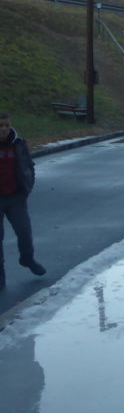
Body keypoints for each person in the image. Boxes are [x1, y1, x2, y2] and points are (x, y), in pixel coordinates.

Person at [0, 113, 46, 290]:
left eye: (6, 125)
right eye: (0, 126)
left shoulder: (18, 144)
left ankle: (27, 259)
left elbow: (29, 166)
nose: (4, 129)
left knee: (24, 232)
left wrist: (27, 187)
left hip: (15, 197)